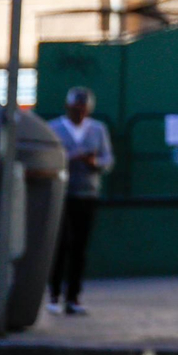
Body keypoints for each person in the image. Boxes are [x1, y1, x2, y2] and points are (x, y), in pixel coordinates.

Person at [47, 87, 114, 315]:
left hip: (87, 193)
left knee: (79, 247)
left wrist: (95, 163)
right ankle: (54, 294)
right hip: (62, 193)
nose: (80, 114)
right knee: (60, 243)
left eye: (83, 110)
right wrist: (70, 158)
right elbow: (48, 157)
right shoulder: (54, 128)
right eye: (76, 110)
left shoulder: (97, 129)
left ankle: (73, 296)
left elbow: (108, 159)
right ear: (68, 108)